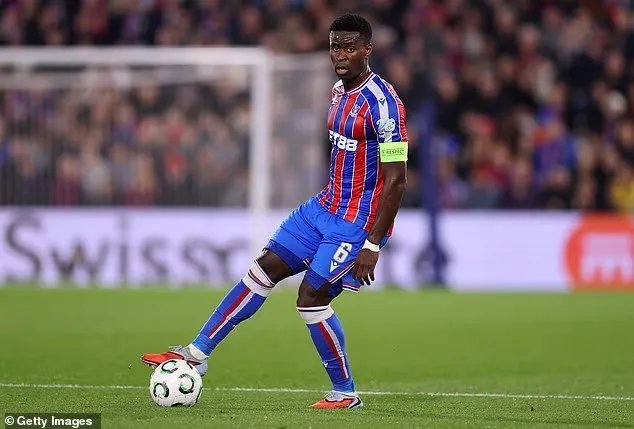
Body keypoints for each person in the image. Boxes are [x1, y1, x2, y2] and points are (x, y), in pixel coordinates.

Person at [142, 13, 408, 409]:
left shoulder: (384, 106)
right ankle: (196, 354)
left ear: (367, 50)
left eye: (349, 47)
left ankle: (345, 392)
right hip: (323, 207)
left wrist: (373, 243)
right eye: (335, 47)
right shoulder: (338, 91)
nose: (340, 54)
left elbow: (397, 180)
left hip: (356, 222)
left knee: (311, 298)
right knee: (264, 268)